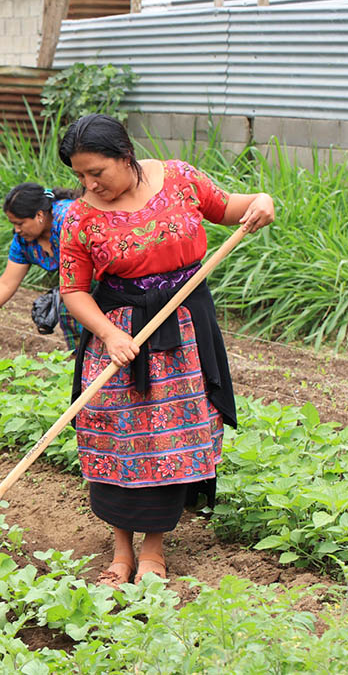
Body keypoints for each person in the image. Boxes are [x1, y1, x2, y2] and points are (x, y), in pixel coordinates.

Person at [56, 114, 274, 587]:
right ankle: (120, 550)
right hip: (121, 335)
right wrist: (109, 335)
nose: (89, 184)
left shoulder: (181, 179)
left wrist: (262, 201)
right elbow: (73, 291)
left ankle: (153, 549)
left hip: (183, 332)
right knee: (116, 436)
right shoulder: (78, 217)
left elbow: (232, 208)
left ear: (125, 155)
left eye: (97, 172)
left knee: (172, 436)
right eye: (80, 175)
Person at [0, 182, 84, 350]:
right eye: (13, 224)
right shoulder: (24, 242)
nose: (16, 230)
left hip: (106, 283)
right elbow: (6, 283)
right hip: (77, 289)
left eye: (20, 223)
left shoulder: (71, 218)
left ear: (39, 215)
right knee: (74, 327)